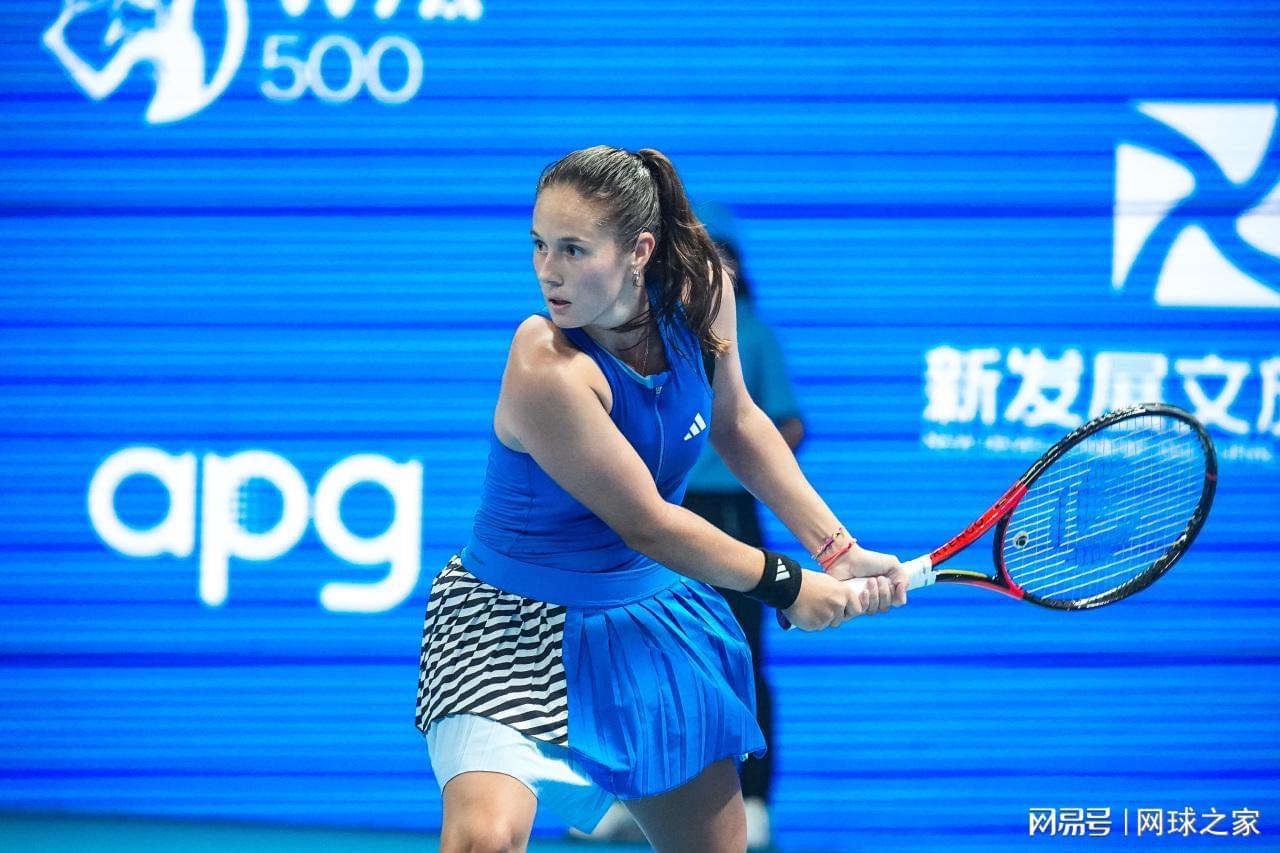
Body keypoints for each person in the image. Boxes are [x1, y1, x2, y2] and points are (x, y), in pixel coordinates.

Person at [415, 145, 907, 852]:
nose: (548, 270)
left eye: (573, 249)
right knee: (483, 841)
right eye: (539, 245)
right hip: (511, 627)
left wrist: (838, 549)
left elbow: (738, 423)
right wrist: (788, 583)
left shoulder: (703, 292)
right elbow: (646, 521)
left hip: (644, 615)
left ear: (639, 251)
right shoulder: (543, 361)